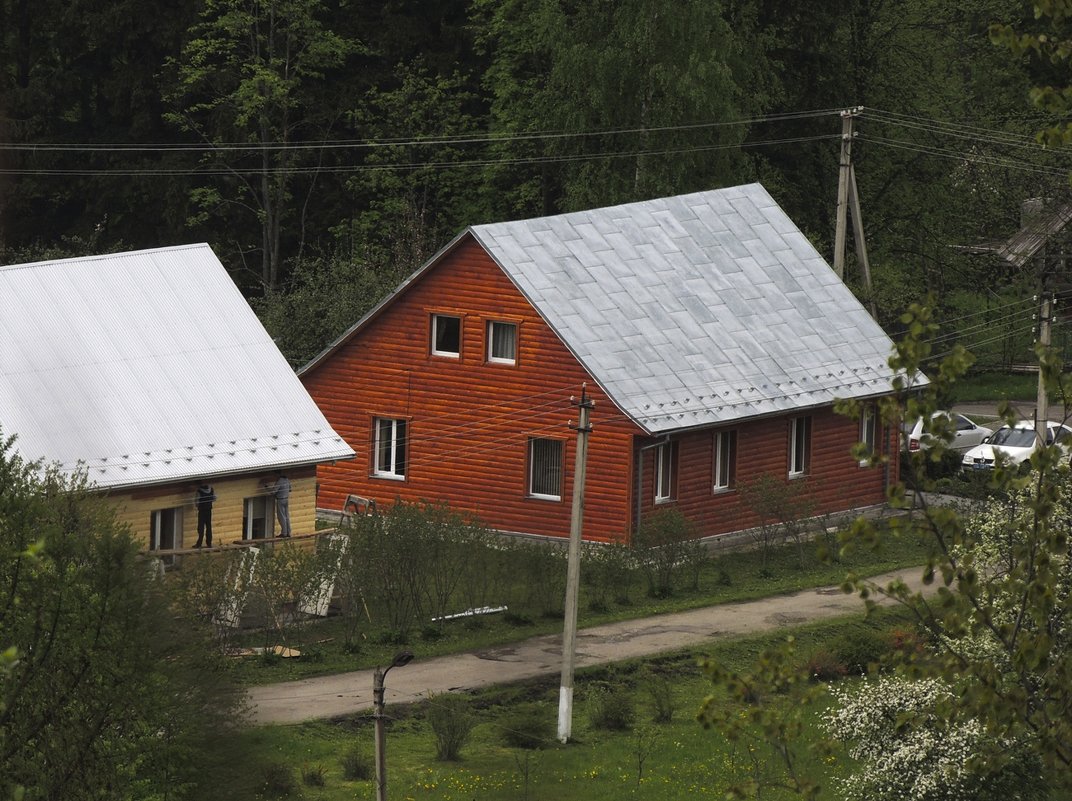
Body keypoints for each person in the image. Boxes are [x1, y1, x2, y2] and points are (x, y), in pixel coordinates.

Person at [263, 471, 292, 537]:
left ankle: (284, 533)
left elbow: (274, 491)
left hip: (280, 500)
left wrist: (267, 487)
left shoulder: (279, 481)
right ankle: (289, 532)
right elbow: (290, 489)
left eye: (275, 475)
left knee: (282, 517)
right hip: (286, 499)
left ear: (278, 474)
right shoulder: (287, 480)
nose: (275, 477)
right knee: (287, 516)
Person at [193, 481, 216, 548]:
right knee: (209, 527)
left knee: (201, 527)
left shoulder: (199, 491)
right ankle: (209, 543)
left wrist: (197, 504)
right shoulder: (211, 489)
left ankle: (199, 544)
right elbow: (214, 498)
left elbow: (196, 503)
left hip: (202, 511)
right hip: (209, 510)